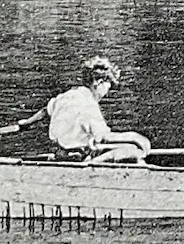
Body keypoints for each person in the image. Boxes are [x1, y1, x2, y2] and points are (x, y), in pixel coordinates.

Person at [23, 56, 151, 163]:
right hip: (78, 158)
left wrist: (26, 123)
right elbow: (104, 137)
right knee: (134, 151)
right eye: (108, 86)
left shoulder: (67, 95)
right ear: (98, 82)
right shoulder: (89, 104)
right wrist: (134, 137)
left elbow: (44, 112)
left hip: (60, 153)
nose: (107, 92)